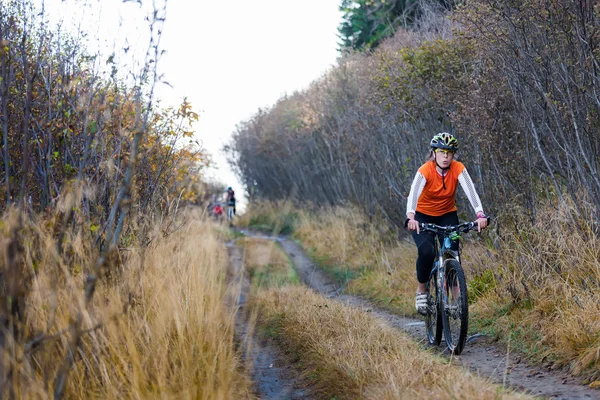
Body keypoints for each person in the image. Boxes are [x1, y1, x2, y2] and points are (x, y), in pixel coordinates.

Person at [405, 132, 488, 315]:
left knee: (452, 253)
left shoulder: (458, 168)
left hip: (447, 215)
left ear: (453, 155)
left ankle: (457, 301)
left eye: (449, 153)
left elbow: (471, 191)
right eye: (441, 152)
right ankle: (422, 291)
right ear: (434, 153)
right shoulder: (425, 170)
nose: (445, 156)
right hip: (422, 217)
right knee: (426, 251)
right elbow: (413, 194)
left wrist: (480, 214)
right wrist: (411, 218)